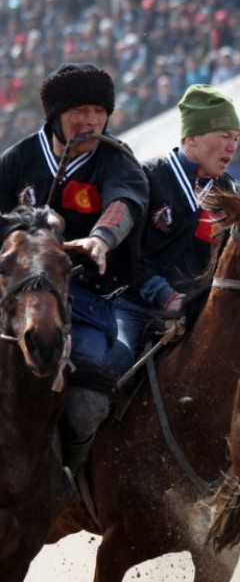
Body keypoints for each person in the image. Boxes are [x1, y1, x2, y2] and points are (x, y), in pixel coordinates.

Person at [0, 63, 148, 471]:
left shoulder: (116, 159)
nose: (91, 121)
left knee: (89, 391)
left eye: (100, 111)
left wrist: (102, 237)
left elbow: (126, 200)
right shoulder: (19, 159)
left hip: (95, 297)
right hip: (23, 292)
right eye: (79, 110)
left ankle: (66, 476)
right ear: (55, 115)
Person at [115, 84, 240, 367]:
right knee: (113, 361)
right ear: (192, 138)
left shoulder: (234, 196)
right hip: (135, 307)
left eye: (236, 137)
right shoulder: (146, 178)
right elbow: (125, 253)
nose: (232, 146)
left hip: (201, 314)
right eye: (223, 135)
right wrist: (164, 294)